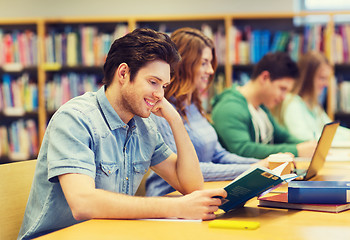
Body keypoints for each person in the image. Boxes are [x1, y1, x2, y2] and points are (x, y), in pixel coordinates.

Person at [18, 28, 227, 240]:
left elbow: (191, 186)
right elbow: (83, 203)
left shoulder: (145, 126)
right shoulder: (75, 118)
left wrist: (175, 120)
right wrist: (175, 207)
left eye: (164, 86)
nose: (160, 95)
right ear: (124, 73)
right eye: (153, 82)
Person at [145, 28, 268, 197]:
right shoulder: (160, 110)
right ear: (184, 63)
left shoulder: (195, 106)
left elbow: (219, 155)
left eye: (210, 63)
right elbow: (186, 170)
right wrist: (253, 169)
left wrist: (262, 164)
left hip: (201, 192)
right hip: (170, 197)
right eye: (204, 63)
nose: (210, 71)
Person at [211, 52, 317, 159]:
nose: (283, 97)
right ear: (265, 78)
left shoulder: (260, 106)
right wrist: (297, 150)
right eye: (282, 89)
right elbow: (243, 150)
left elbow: (281, 136)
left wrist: (310, 146)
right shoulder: (230, 107)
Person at [272, 51, 350, 143]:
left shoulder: (313, 105)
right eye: (322, 78)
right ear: (307, 78)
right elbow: (303, 138)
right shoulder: (292, 103)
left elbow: (333, 130)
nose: (326, 84)